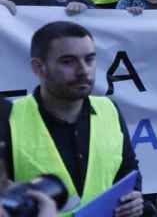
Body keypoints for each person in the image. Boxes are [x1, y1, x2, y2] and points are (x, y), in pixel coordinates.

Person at [0, 21, 144, 216]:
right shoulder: (8, 119)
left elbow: (127, 169)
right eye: (68, 61)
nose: (83, 70)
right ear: (38, 68)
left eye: (90, 59)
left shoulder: (109, 108)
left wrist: (133, 197)